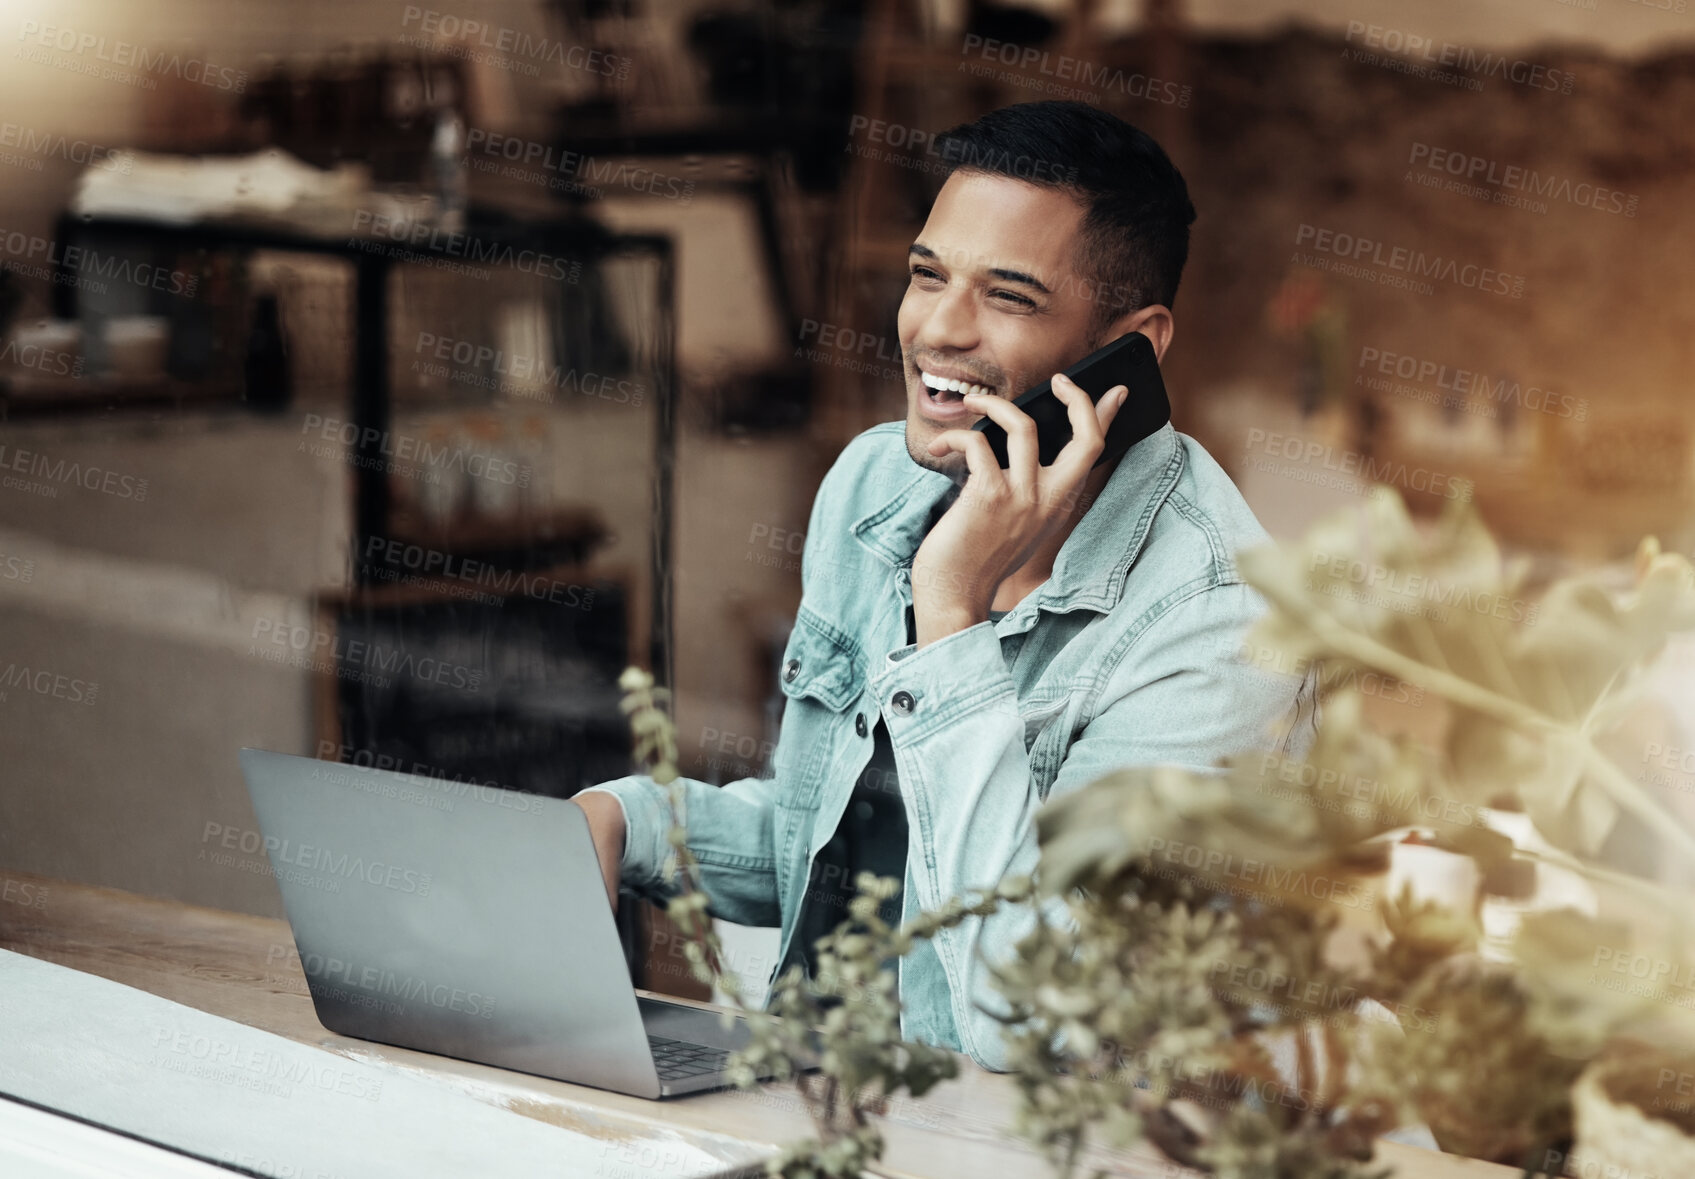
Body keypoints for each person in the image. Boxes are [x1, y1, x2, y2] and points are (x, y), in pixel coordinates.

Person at [572, 100, 1317, 1071]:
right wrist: (624, 822)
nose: (937, 330)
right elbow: (840, 837)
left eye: (1007, 297)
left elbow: (1050, 1016)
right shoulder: (880, 483)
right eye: (927, 276)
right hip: (828, 1097)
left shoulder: (1221, 626)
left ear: (1133, 345)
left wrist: (952, 611)